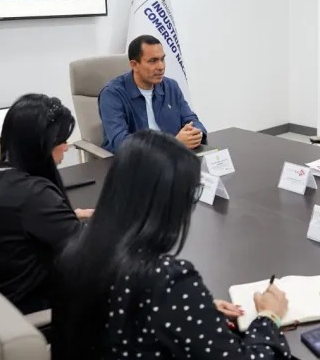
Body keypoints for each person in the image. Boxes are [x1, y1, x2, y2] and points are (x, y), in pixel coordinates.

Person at [52, 130, 291, 359]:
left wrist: (195, 312)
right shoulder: (167, 281)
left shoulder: (75, 250)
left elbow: (120, 321)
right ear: (169, 203)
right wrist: (270, 316)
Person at [0, 94, 93, 314]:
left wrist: (67, 215)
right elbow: (86, 254)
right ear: (41, 145)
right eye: (62, 140)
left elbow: (16, 224)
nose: (67, 146)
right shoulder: (36, 195)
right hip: (35, 313)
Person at [98, 34, 207, 153]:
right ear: (134, 65)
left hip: (172, 160)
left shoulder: (171, 86)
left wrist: (195, 133)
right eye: (153, 61)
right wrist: (173, 144)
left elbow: (191, 119)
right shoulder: (112, 94)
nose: (161, 67)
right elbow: (121, 143)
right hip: (133, 164)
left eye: (162, 59)